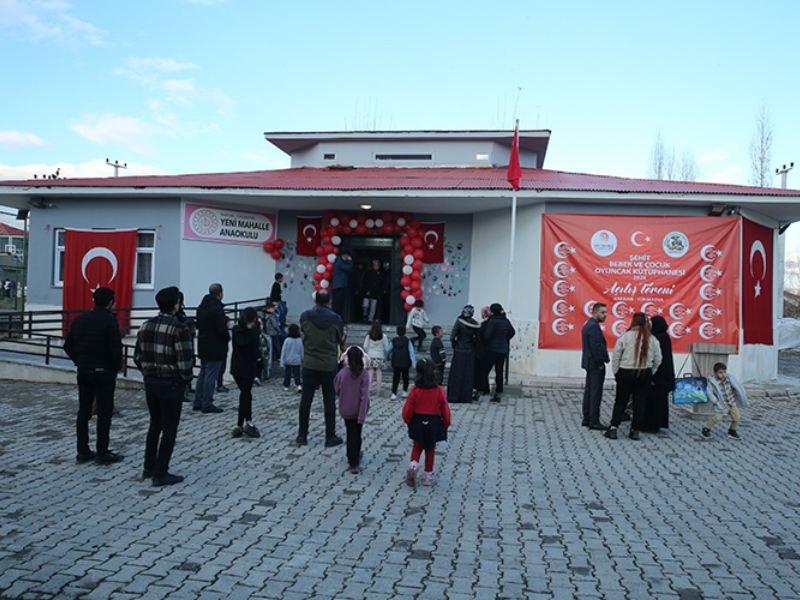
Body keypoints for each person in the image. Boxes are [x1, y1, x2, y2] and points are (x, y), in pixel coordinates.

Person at [134, 286, 194, 486]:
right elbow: (185, 361)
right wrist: (185, 379)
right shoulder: (180, 328)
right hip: (170, 382)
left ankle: (148, 467)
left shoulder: (145, 326)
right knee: (169, 428)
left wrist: (148, 371)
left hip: (151, 381)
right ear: (176, 305)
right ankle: (161, 472)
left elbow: (137, 357)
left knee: (155, 424)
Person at [63, 287, 124, 464]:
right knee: (104, 413)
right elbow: (115, 349)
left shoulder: (79, 320)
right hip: (104, 372)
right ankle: (102, 452)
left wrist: (79, 361)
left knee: (84, 411)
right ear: (110, 302)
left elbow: (68, 346)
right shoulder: (110, 321)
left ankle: (82, 451)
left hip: (84, 370)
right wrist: (115, 367)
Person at [297, 290, 345, 447]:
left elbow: (303, 331)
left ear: (315, 300)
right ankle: (330, 436)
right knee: (329, 401)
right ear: (329, 301)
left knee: (306, 400)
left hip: (309, 363)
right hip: (328, 364)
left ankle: (302, 435)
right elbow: (339, 339)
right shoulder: (336, 319)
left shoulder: (305, 316)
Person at [606, 312, 662, 440]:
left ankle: (614, 428)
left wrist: (616, 372)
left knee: (620, 401)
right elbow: (658, 359)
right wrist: (651, 372)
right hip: (644, 373)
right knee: (640, 403)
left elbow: (616, 356)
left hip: (625, 372)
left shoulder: (625, 337)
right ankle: (635, 431)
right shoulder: (652, 339)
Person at [402, 359, 452, 487]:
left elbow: (408, 408)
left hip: (418, 421)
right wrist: (446, 422)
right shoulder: (439, 390)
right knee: (430, 449)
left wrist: (407, 420)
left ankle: (413, 466)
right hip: (433, 422)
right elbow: (444, 408)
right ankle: (428, 476)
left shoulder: (415, 390)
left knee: (417, 445)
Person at [194, 283, 229, 413]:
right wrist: (226, 339)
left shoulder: (201, 308)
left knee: (203, 372)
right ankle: (207, 403)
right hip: (215, 345)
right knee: (211, 374)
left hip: (203, 344)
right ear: (220, 293)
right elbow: (222, 329)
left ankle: (198, 401)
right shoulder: (217, 309)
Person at [335, 346, 371, 474]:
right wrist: (362, 414)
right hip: (358, 410)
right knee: (357, 434)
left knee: (350, 433)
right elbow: (365, 395)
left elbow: (336, 388)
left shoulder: (342, 373)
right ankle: (354, 460)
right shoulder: (364, 374)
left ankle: (352, 458)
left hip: (346, 409)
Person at [231, 307, 262, 439]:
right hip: (248, 367)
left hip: (237, 367)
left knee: (245, 394)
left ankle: (241, 424)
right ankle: (246, 422)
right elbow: (255, 350)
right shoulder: (253, 333)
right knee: (245, 394)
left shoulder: (236, 330)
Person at [641, 315, 674, 433]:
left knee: (651, 400)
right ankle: (660, 423)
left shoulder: (654, 338)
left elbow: (655, 358)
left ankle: (649, 425)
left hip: (656, 373)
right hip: (665, 374)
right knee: (661, 401)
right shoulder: (665, 337)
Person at [702, 362, 749, 440]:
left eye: (724, 372)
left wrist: (741, 393)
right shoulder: (712, 382)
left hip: (731, 402)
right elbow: (709, 392)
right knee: (717, 418)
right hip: (721, 404)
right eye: (720, 372)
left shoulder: (729, 379)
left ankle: (732, 431)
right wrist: (715, 400)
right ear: (715, 373)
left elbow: (737, 386)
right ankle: (706, 429)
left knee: (736, 417)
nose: (723, 374)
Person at [581, 302, 609, 430]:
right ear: (595, 312)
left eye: (605, 312)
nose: (605, 315)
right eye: (603, 313)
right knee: (595, 393)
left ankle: (587, 419)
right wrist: (600, 364)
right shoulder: (593, 327)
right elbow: (596, 347)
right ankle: (593, 421)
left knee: (589, 392)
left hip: (590, 364)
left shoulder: (589, 324)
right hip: (595, 365)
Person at [482, 303, 516, 403]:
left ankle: (485, 389)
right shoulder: (505, 321)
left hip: (492, 350)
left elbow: (487, 336)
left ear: (492, 311)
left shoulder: (492, 321)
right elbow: (512, 332)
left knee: (485, 370)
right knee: (499, 371)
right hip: (503, 350)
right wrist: (505, 339)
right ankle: (499, 391)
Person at [447, 305, 481, 404]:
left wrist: (455, 346)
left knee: (456, 374)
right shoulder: (475, 323)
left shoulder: (459, 322)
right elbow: (478, 339)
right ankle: (466, 397)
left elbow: (452, 337)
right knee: (468, 375)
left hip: (459, 351)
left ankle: (454, 396)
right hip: (470, 351)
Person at [389, 325, 417, 400]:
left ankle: (394, 393)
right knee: (405, 377)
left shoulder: (393, 340)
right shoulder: (408, 341)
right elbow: (411, 352)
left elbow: (389, 350)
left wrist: (388, 357)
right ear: (405, 332)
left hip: (396, 361)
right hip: (405, 361)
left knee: (396, 378)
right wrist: (414, 363)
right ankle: (405, 391)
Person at [363, 320, 390, 396]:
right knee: (379, 373)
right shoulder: (383, 336)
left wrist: (369, 351)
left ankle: (369, 389)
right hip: (380, 356)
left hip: (370, 356)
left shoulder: (369, 335)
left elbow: (365, 346)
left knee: (370, 373)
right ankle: (378, 391)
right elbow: (386, 348)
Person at [472, 306, 492, 400]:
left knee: (481, 371)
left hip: (481, 351)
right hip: (490, 350)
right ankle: (485, 388)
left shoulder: (483, 325)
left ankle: (481, 388)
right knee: (485, 371)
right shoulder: (491, 324)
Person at [280, 323, 304, 391]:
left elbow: (283, 351)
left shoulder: (287, 340)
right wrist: (302, 360)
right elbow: (301, 351)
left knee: (287, 374)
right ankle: (298, 385)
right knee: (297, 374)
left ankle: (286, 385)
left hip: (288, 360)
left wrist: (282, 361)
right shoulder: (299, 340)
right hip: (296, 360)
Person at [331, 251, 353, 318]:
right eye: (347, 256)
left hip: (340, 285)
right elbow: (348, 268)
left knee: (340, 303)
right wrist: (350, 261)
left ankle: (338, 317)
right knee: (338, 303)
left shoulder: (339, 262)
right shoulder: (339, 262)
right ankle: (334, 317)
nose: (348, 258)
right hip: (339, 286)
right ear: (344, 255)